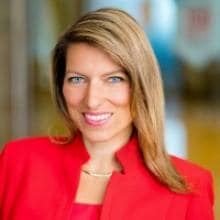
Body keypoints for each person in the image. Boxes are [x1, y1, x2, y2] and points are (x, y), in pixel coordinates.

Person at [0, 8, 214, 220]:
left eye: (114, 79)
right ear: (60, 85)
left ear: (142, 85)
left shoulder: (191, 189)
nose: (92, 100)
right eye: (77, 79)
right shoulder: (17, 162)